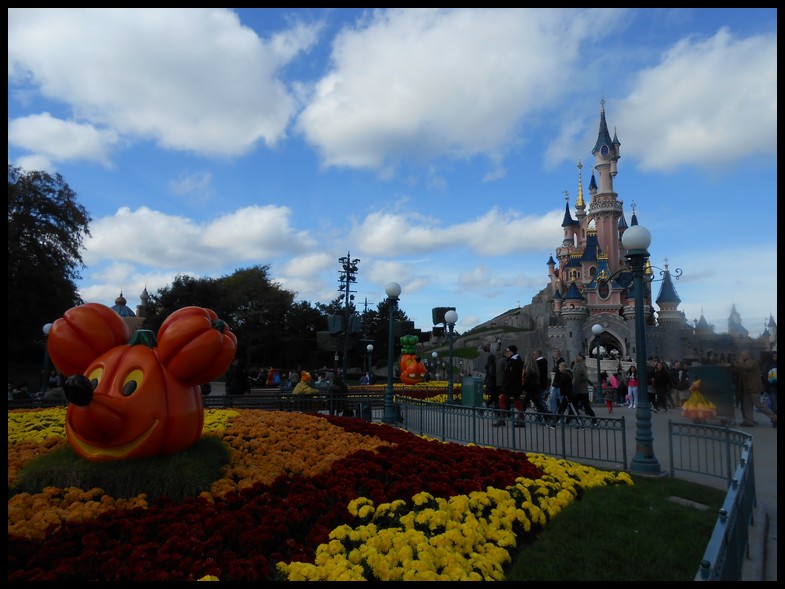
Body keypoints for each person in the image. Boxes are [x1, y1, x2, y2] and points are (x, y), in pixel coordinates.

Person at [734, 350, 777, 428]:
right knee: (747, 404)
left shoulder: (752, 362)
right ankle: (749, 420)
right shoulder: (745, 362)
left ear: (748, 355)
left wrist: (739, 362)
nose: (741, 356)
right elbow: (738, 368)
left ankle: (774, 417)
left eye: (743, 354)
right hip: (747, 388)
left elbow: (746, 367)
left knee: (759, 404)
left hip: (753, 388)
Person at [493, 345, 525, 427]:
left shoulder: (513, 361)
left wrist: (505, 385)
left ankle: (502, 419)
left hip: (511, 386)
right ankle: (521, 419)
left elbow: (511, 375)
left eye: (507, 351)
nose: (506, 353)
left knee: (502, 399)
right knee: (517, 400)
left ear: (511, 352)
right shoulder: (515, 360)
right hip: (515, 385)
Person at [571, 354, 598, 427]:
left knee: (574, 406)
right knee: (587, 407)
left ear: (576, 360)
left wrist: (574, 391)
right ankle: (594, 420)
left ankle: (578, 421)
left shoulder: (577, 368)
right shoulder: (583, 367)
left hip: (579, 390)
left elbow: (576, 380)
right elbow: (586, 379)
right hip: (584, 390)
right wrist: (592, 384)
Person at [522, 353, 550, 421]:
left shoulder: (530, 370)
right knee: (538, 404)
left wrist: (523, 387)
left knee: (526, 403)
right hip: (533, 389)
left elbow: (527, 381)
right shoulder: (533, 369)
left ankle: (520, 418)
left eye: (526, 360)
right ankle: (546, 417)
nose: (525, 361)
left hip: (531, 389)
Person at [549, 349, 566, 414]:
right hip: (556, 384)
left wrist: (558, 383)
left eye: (554, 354)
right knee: (552, 399)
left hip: (558, 385)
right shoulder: (557, 361)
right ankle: (554, 414)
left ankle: (563, 414)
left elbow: (561, 374)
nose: (553, 355)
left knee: (561, 400)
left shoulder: (561, 362)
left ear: (558, 354)